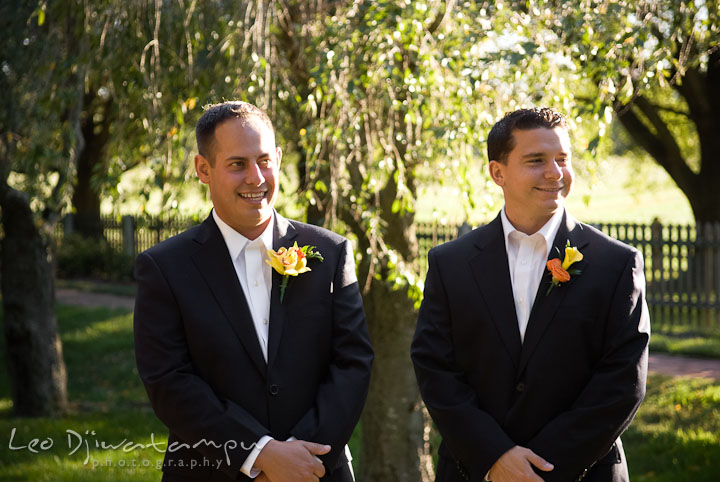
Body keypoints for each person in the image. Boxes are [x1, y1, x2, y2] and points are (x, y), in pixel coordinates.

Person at [133, 101, 373, 482]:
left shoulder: (330, 253)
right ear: (203, 169)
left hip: (317, 470)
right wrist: (257, 454)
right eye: (237, 164)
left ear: (278, 158)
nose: (256, 177)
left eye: (264, 160)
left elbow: (352, 363)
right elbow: (169, 381)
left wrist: (301, 458)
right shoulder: (165, 268)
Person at [411, 107, 650, 482]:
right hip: (474, 470)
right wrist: (494, 456)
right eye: (536, 160)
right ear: (497, 172)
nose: (555, 173)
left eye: (562, 159)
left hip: (580, 472)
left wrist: (542, 469)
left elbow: (622, 382)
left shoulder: (616, 264)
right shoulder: (450, 263)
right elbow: (435, 369)